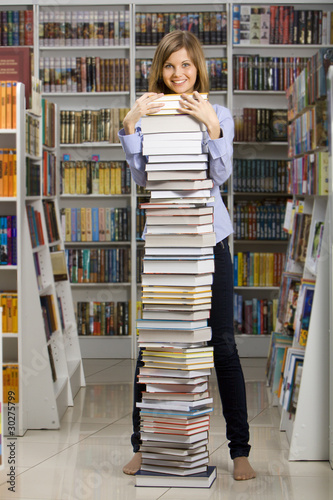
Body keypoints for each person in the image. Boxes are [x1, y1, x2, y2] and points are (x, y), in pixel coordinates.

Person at [118, 30, 256, 482]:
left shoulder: (217, 112)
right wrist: (129, 126)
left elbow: (220, 173)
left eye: (187, 65)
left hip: (210, 241)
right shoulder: (148, 114)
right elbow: (143, 179)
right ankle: (144, 446)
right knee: (156, 347)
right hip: (165, 244)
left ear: (199, 68)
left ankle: (239, 451)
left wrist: (213, 129)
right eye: (170, 66)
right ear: (160, 70)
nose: (178, 74)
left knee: (223, 346)